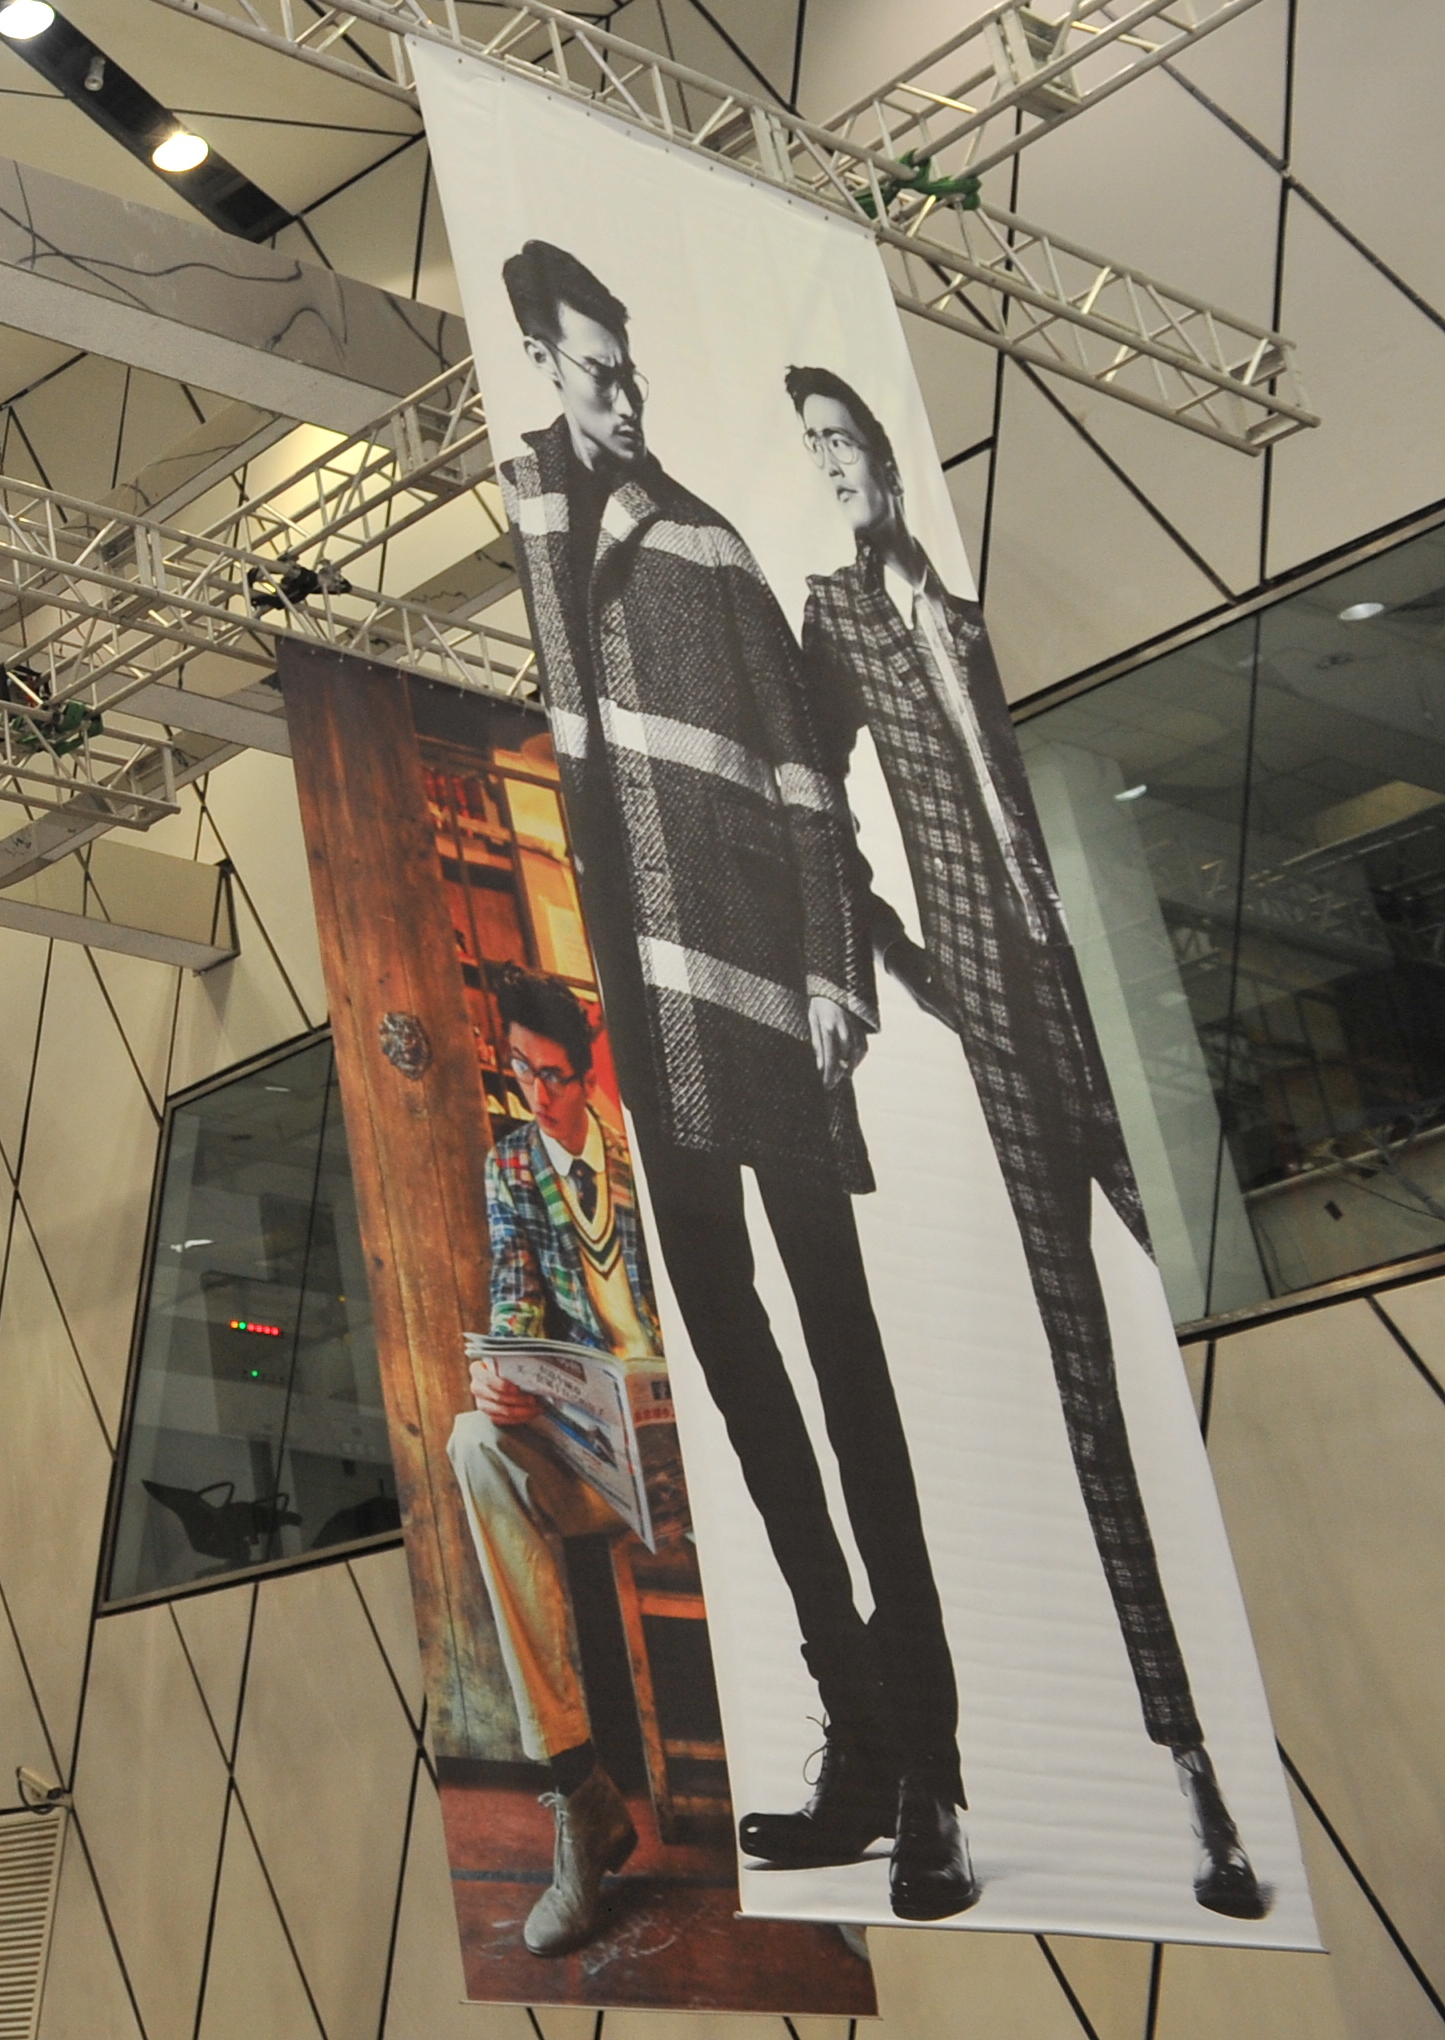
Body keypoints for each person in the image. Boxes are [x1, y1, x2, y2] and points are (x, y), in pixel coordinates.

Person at [489, 239, 972, 1921]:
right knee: (757, 1411)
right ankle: (862, 1738)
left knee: (848, 1384)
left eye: (631, 369)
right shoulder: (530, 512)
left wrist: (835, 971)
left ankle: (934, 1772)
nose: (622, 395)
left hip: (766, 1011)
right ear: (542, 363)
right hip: (650, 1036)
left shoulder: (699, 538)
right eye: (595, 369)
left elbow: (803, 775)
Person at [783, 368, 1266, 1920]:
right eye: (813, 452)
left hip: (1100, 996)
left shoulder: (972, 608)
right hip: (1002, 1028)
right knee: (1086, 1387)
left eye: (845, 442)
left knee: (1219, 1275)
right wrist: (900, 963)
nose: (834, 469)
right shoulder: (837, 618)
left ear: (886, 454)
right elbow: (811, 809)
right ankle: (1196, 1781)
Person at [444, 970, 662, 1957]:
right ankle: (580, 1796)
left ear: (587, 1070)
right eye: (519, 1072)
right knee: (472, 1441)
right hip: (588, 1457)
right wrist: (504, 1374)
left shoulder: (645, 1152)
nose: (536, 1094)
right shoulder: (511, 1166)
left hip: (692, 1450)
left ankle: (846, 1808)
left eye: (553, 1076)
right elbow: (516, 1299)